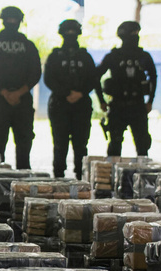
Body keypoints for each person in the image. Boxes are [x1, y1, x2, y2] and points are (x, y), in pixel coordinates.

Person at [0, 6, 41, 169]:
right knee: (2, 144)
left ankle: (13, 178)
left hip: (9, 98)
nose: (12, 22)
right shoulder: (27, 44)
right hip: (10, 98)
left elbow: (35, 72)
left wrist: (9, 93)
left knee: (16, 143)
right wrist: (11, 93)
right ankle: (5, 177)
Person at [44, 19, 98, 179]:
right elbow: (48, 79)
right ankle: (58, 177)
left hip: (81, 105)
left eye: (73, 32)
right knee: (60, 144)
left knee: (81, 145)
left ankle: (81, 177)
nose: (70, 35)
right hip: (60, 104)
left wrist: (81, 93)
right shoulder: (55, 56)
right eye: (67, 32)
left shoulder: (85, 56)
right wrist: (66, 93)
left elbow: (93, 78)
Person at [96, 21, 157, 157]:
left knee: (142, 146)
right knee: (115, 145)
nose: (136, 37)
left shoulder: (144, 56)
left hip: (138, 105)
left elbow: (154, 77)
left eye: (137, 33)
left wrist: (150, 101)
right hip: (118, 106)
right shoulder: (113, 56)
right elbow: (95, 76)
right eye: (133, 34)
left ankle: (142, 171)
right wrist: (102, 101)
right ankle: (113, 170)